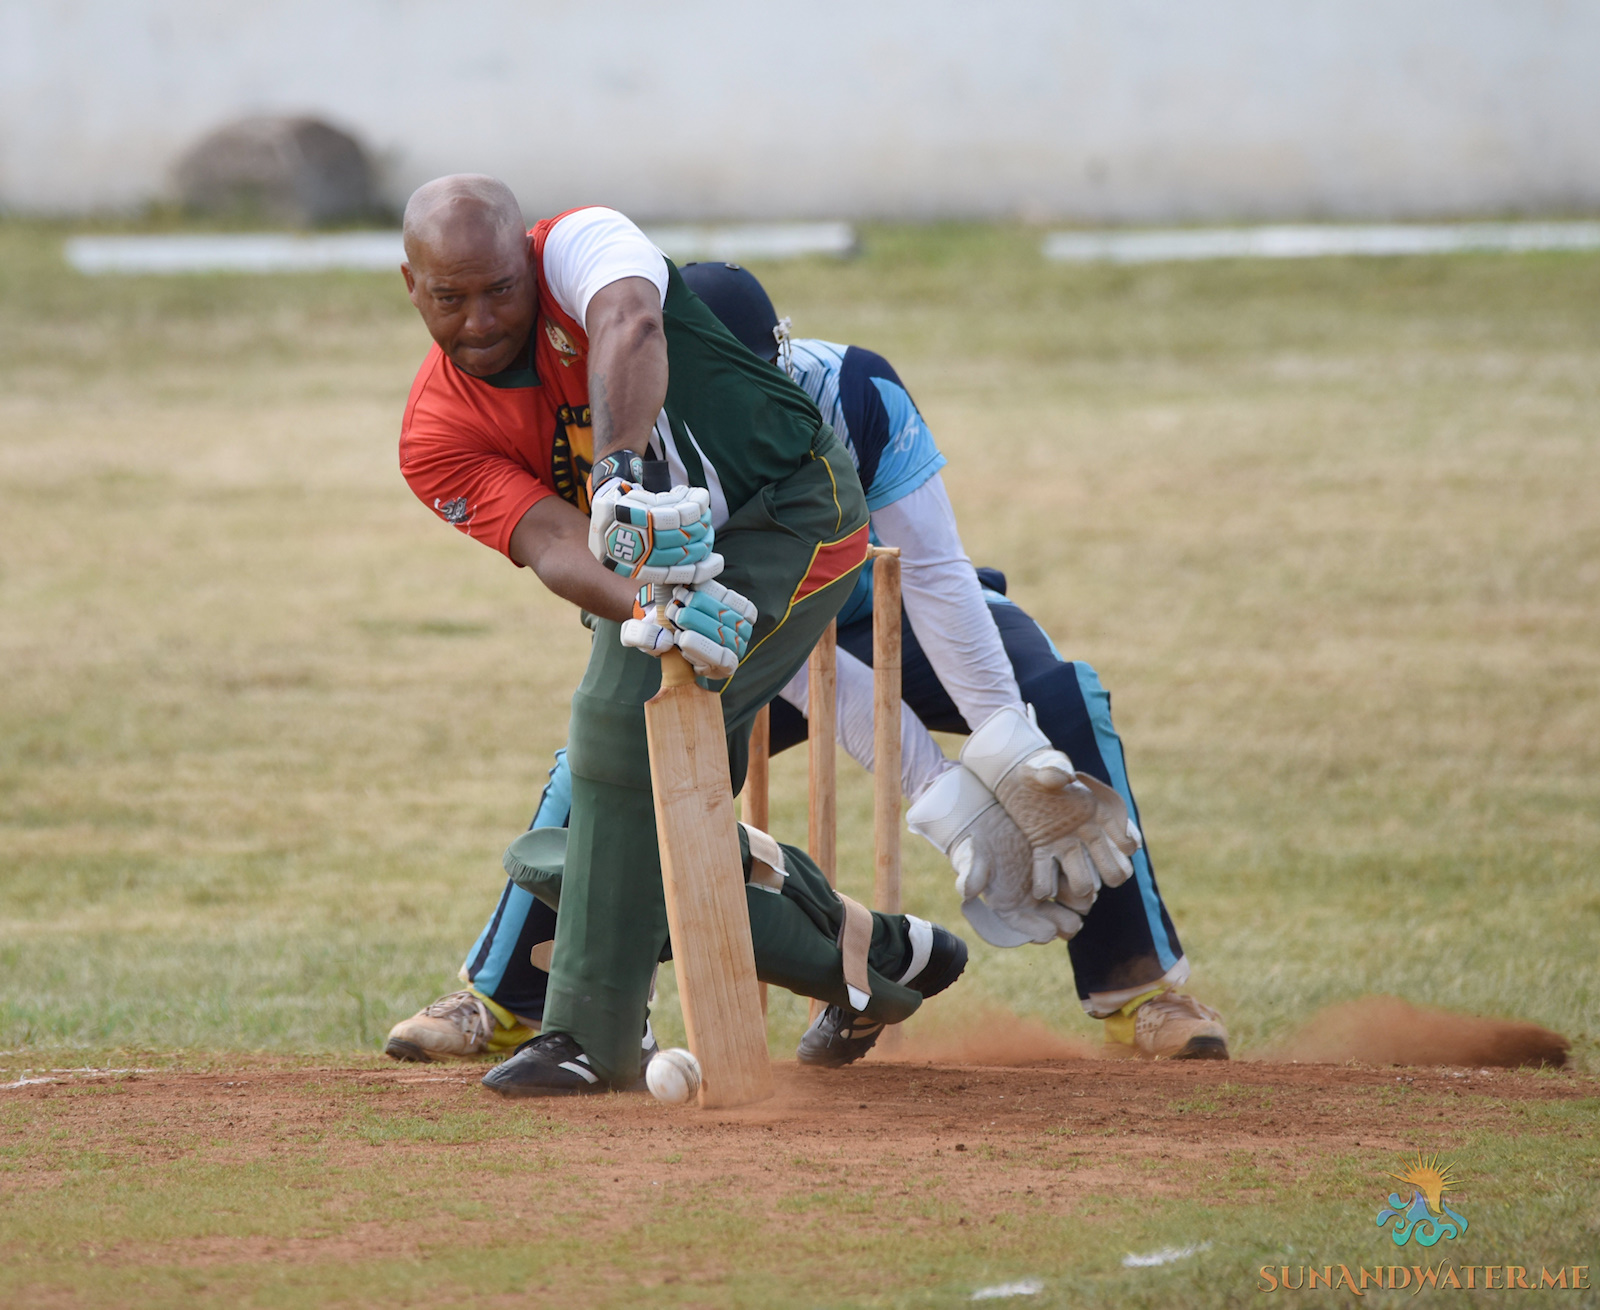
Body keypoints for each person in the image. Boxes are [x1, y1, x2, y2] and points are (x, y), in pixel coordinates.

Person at [389, 254, 1224, 1066]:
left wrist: (1007, 742)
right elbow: (785, 651)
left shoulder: (855, 389)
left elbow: (932, 574)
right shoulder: (654, 441)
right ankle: (504, 1001)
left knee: (1060, 699)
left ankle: (1144, 992)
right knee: (605, 764)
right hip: (749, 626)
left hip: (884, 598)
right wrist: (941, 794)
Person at [391, 177, 969, 1096]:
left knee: (614, 739)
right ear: (411, 288)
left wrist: (617, 472)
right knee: (627, 818)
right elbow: (547, 540)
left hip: (790, 514)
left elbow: (631, 323)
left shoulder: (581, 243)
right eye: (450, 297)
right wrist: (645, 611)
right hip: (653, 572)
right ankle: (875, 956)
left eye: (500, 288)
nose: (480, 317)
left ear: (527, 259)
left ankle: (586, 1038)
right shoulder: (434, 434)